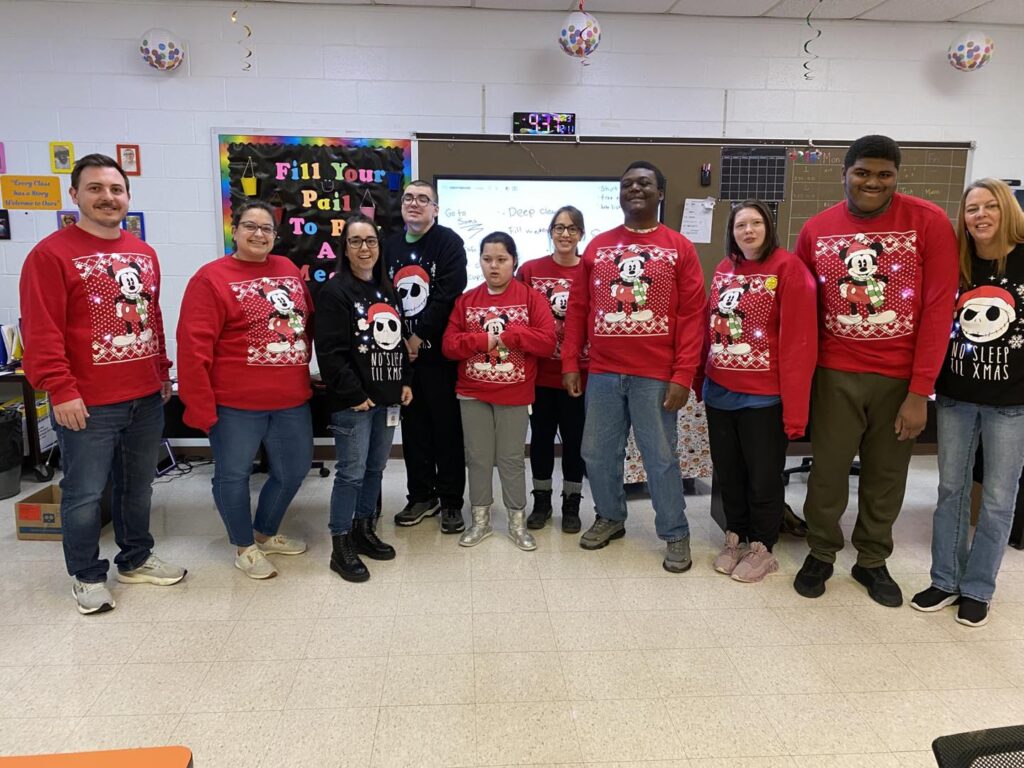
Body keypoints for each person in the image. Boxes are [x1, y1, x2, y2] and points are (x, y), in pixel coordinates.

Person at [792, 135, 958, 607]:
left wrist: (920, 390)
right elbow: (804, 312)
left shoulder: (928, 223)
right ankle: (821, 552)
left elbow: (937, 309)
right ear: (844, 172)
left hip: (899, 379)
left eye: (885, 174)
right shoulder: (816, 230)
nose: (873, 182)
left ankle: (871, 560)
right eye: (863, 172)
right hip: (834, 374)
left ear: (896, 176)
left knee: (886, 474)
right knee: (827, 470)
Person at [19, 153, 186, 614]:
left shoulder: (143, 253)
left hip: (145, 395)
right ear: (75, 195)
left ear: (127, 197)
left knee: (138, 486)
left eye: (115, 190)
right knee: (84, 492)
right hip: (88, 402)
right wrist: (61, 388)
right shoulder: (49, 255)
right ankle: (87, 576)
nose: (107, 198)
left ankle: (135, 558)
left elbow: (151, 318)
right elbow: (41, 331)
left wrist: (162, 371)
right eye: (95, 189)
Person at [562, 161, 707, 572]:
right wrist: (571, 361)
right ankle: (610, 517)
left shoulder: (679, 247)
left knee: (660, 458)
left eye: (644, 183)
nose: (635, 189)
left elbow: (693, 316)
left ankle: (675, 533)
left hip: (655, 376)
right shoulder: (598, 247)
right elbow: (578, 309)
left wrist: (683, 375)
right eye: (626, 184)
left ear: (660, 192)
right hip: (604, 373)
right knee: (596, 452)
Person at [176, 201, 313, 580]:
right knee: (232, 475)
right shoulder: (210, 278)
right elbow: (192, 347)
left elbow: (306, 324)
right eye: (249, 226)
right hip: (236, 404)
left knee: (294, 470)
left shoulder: (287, 270)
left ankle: (264, 533)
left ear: (275, 235)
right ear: (234, 231)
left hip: (290, 399)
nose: (258, 234)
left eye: (266, 228)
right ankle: (243, 546)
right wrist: (200, 406)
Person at [911, 179, 1024, 627]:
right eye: (971, 207)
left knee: (998, 498)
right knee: (951, 491)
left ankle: (978, 588)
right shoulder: (955, 261)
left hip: (1012, 403)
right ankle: (945, 579)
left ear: (1008, 209)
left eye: (990, 205)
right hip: (956, 396)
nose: (979, 215)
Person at [704, 200, 817, 582]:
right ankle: (734, 536)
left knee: (763, 476)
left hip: (763, 398)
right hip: (720, 392)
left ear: (768, 226)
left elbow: (800, 342)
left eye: (755, 223)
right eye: (740, 225)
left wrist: (796, 410)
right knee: (730, 473)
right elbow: (712, 324)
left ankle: (763, 547)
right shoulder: (724, 269)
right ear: (731, 231)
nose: (748, 231)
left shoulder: (789, 269)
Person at [443, 232, 556, 551]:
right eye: (487, 259)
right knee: (477, 458)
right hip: (472, 393)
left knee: (510, 459)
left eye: (501, 259)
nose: (494, 266)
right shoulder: (466, 300)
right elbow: (449, 346)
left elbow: (547, 342)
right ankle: (480, 522)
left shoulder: (531, 297)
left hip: (515, 395)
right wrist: (482, 341)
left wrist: (515, 336)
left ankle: (517, 523)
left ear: (514, 260)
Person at [317, 213, 412, 582]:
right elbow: (329, 351)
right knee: (351, 474)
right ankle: (340, 544)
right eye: (355, 241)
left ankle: (363, 529)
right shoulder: (335, 291)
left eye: (370, 240)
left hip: (386, 400)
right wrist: (354, 393)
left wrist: (405, 379)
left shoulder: (386, 289)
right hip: (354, 403)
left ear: (378, 246)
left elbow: (397, 343)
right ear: (345, 248)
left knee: (375, 469)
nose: (364, 248)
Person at [385, 181, 468, 533]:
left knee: (446, 432)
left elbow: (449, 293)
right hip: (398, 357)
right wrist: (398, 340)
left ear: (436, 208)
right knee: (414, 431)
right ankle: (421, 496)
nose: (414, 204)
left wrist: (418, 336)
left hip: (438, 357)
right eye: (408, 198)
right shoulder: (388, 245)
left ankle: (450, 501)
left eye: (423, 199)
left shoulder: (449, 243)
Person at [516, 205, 589, 533]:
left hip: (579, 375)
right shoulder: (530, 271)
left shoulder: (590, 270)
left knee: (575, 442)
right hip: (540, 375)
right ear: (550, 232)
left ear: (581, 235)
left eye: (572, 228)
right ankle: (542, 501)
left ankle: (571, 503)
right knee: (542, 440)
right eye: (559, 227)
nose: (565, 234)